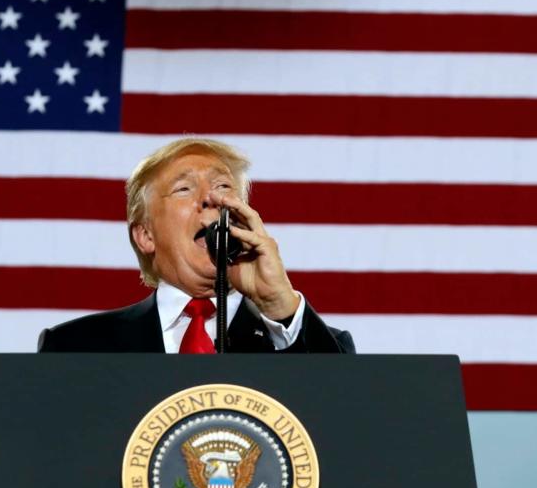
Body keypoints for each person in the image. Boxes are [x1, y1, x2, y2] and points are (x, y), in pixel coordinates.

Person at [38, 137, 354, 354]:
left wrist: (280, 305)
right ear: (145, 235)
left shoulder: (299, 339)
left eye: (223, 186)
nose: (210, 198)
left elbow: (345, 416)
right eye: (184, 188)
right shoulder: (75, 346)